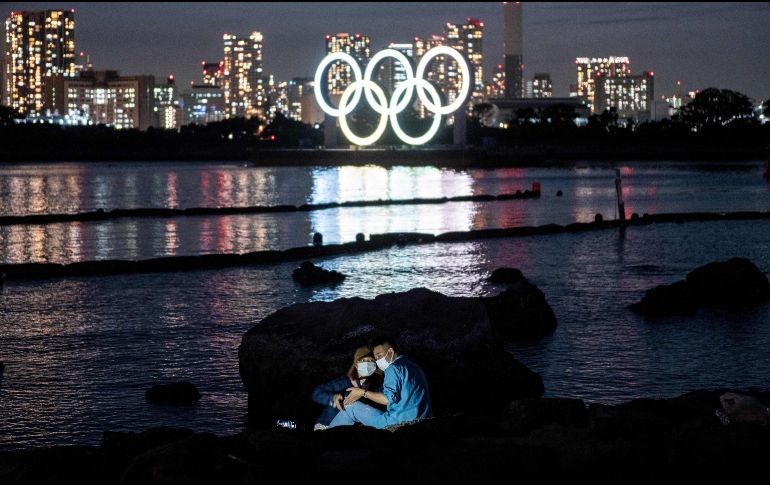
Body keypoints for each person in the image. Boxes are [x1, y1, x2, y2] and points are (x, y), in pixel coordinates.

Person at [327, 336, 432, 429]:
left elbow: (388, 399)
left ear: (390, 351)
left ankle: (327, 434)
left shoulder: (392, 368)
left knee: (351, 407)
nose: (377, 360)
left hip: (397, 422)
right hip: (423, 419)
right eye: (375, 358)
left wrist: (362, 392)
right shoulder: (415, 367)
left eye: (379, 355)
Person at [310, 346, 383, 431]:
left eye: (371, 361)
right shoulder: (344, 382)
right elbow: (317, 393)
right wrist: (332, 398)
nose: (368, 364)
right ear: (356, 364)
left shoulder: (374, 386)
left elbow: (383, 398)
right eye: (364, 360)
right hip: (327, 424)